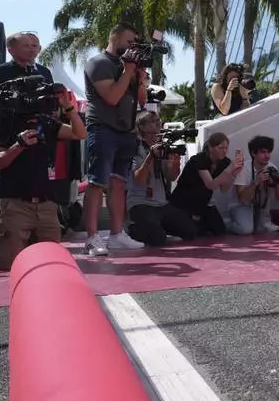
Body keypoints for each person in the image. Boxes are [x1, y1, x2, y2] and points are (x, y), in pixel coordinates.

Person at [0, 85, 85, 270]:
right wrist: (19, 145)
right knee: (8, 266)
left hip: (45, 204)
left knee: (50, 264)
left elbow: (80, 133)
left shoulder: (45, 123)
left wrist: (68, 107)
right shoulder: (2, 125)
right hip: (13, 203)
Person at [82, 23, 149, 255]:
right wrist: (129, 71)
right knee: (97, 182)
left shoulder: (129, 66)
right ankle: (91, 237)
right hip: (102, 128)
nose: (133, 47)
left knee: (119, 184)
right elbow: (111, 97)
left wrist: (139, 77)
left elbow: (142, 100)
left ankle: (116, 234)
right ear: (116, 38)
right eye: (129, 42)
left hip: (126, 131)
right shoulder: (99, 63)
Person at [124, 111, 197, 246]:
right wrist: (151, 156)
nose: (158, 123)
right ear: (143, 127)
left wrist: (175, 163)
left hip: (161, 203)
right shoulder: (135, 147)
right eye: (153, 121)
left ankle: (156, 226)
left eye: (158, 120)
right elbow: (139, 179)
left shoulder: (163, 145)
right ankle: (132, 228)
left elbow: (171, 176)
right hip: (141, 203)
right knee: (157, 239)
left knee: (190, 231)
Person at [169, 132, 243, 236]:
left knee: (219, 230)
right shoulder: (199, 159)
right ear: (211, 148)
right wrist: (229, 170)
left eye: (226, 148)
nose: (224, 151)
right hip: (184, 200)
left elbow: (224, 189)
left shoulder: (224, 162)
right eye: (220, 148)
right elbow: (210, 185)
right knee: (192, 232)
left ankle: (200, 222)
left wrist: (233, 174)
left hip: (203, 203)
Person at [228, 135, 279, 235]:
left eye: (269, 152)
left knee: (262, 230)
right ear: (253, 153)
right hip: (241, 206)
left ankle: (260, 222)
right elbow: (242, 199)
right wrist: (256, 182)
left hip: (260, 208)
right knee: (246, 230)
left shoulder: (272, 168)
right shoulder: (244, 169)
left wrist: (277, 184)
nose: (267, 156)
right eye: (263, 152)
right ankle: (228, 225)